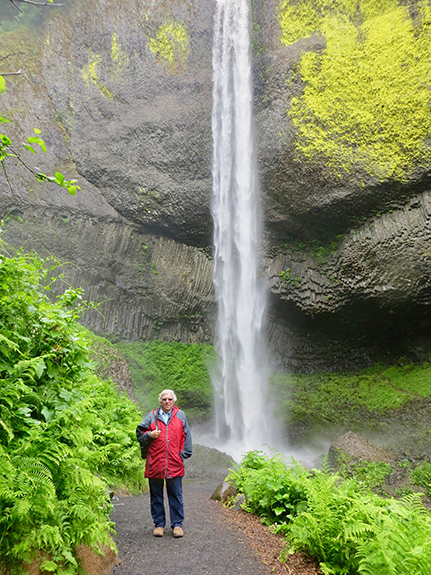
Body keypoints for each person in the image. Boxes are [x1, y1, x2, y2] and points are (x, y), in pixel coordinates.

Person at [136, 389, 192, 538]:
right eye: (164, 399)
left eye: (170, 399)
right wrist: (149, 435)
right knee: (156, 495)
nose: (167, 402)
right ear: (160, 401)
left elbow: (187, 436)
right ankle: (159, 524)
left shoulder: (180, 415)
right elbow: (139, 433)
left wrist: (183, 455)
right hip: (156, 461)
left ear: (174, 401)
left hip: (174, 461)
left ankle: (177, 525)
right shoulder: (152, 416)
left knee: (176, 495)